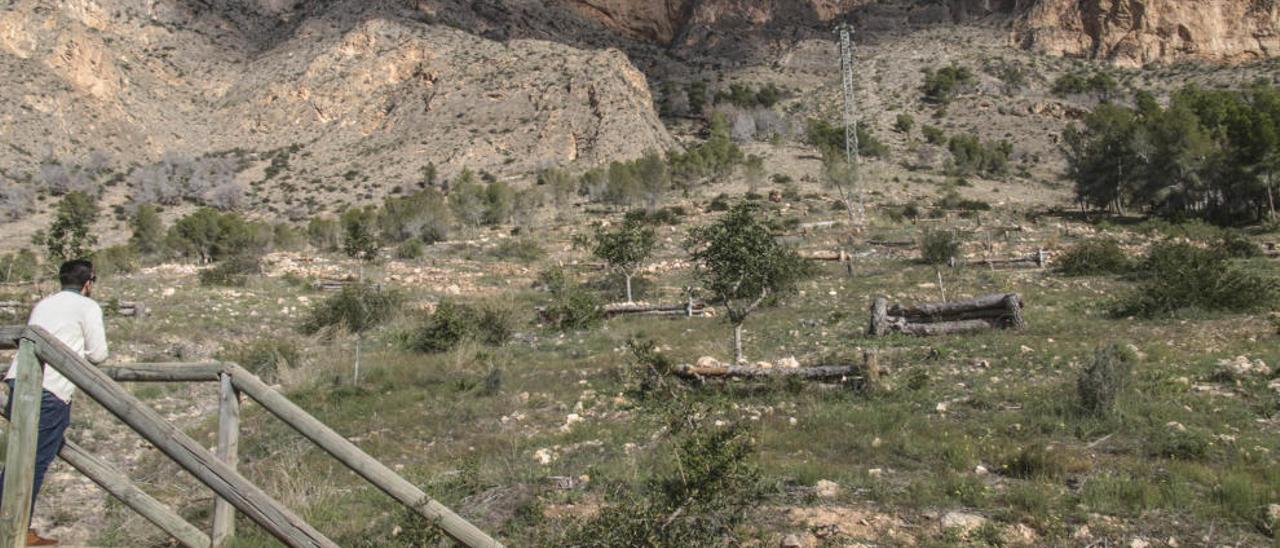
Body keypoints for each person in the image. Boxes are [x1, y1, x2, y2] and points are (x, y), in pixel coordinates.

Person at [1, 259, 107, 546]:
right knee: (32, 462)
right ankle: (13, 530)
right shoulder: (88, 307)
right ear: (88, 283)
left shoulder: (44, 304)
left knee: (17, 458)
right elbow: (98, 354)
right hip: (50, 389)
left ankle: (14, 527)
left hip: (17, 381)